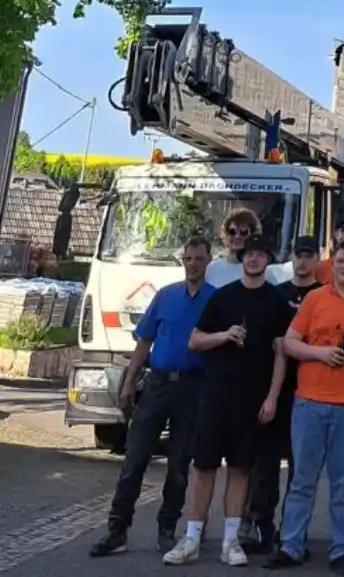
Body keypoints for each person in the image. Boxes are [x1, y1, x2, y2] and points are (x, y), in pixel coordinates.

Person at [164, 235, 290, 567]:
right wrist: (225, 335)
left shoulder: (276, 301)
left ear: (268, 260)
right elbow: (195, 340)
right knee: (203, 466)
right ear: (242, 258)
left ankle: (231, 540)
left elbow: (281, 354)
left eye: (260, 255)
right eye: (249, 254)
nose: (253, 260)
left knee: (240, 469)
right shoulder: (223, 298)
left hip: (252, 400)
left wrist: (273, 397)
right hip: (215, 396)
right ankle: (191, 538)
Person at [267, 240, 344, 574]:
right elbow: (289, 343)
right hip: (309, 402)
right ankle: (291, 545)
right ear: (332, 263)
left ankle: (341, 549)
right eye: (341, 260)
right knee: (302, 481)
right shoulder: (314, 298)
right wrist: (319, 354)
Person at [90, 235, 215, 557]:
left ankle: (167, 530)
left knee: (178, 465)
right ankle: (117, 531)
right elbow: (144, 342)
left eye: (199, 259)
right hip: (158, 384)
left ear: (208, 260)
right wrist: (130, 382)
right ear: (182, 260)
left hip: (194, 387)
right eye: (188, 258)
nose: (192, 265)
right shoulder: (166, 296)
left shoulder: (216, 300)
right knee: (135, 458)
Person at [242, 237, 322, 555]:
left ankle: (292, 530)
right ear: (292, 258)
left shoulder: (324, 295)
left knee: (300, 468)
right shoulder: (278, 295)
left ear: (317, 258)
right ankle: (261, 524)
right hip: (276, 387)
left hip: (311, 390)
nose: (303, 262)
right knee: (266, 463)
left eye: (308, 256)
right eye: (298, 255)